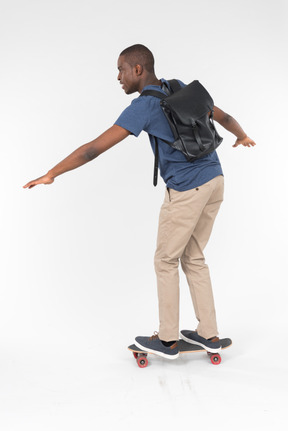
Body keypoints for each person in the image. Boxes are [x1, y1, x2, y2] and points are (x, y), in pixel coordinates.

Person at [24, 44, 256, 360]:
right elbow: (223, 116)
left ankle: (169, 340)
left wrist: (51, 173)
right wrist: (240, 135)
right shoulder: (178, 87)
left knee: (165, 261)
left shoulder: (144, 106)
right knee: (194, 256)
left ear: (137, 69)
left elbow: (93, 149)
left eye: (121, 69)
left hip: (188, 190)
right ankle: (209, 334)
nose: (118, 77)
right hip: (215, 180)